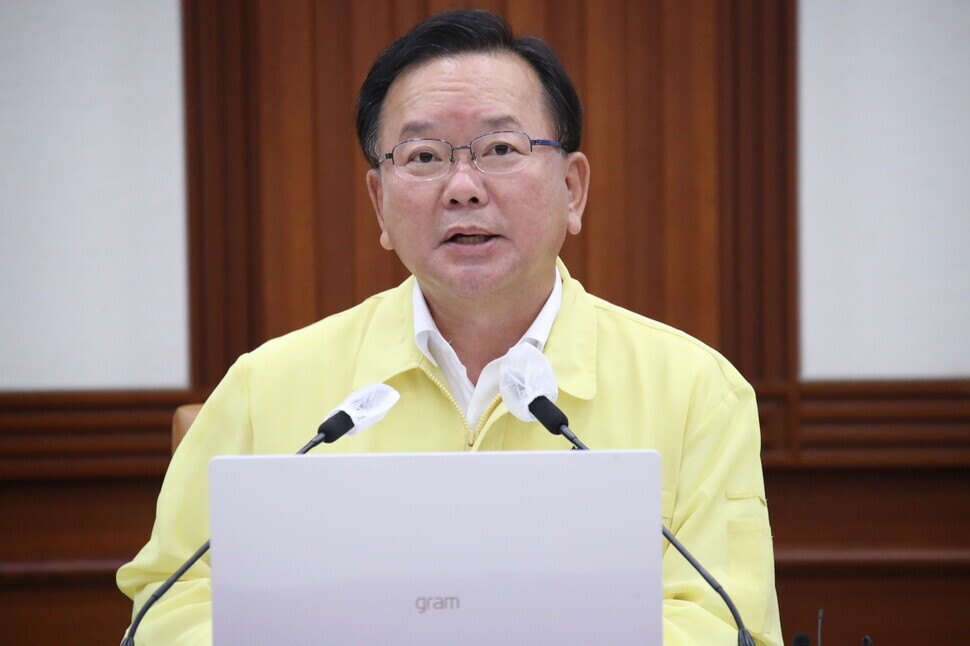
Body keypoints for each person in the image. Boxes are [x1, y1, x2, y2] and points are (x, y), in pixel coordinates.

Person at [118, 9, 783, 645]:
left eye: (500, 148)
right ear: (379, 200)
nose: (463, 187)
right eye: (425, 157)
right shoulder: (268, 387)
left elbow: (727, 625)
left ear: (572, 190)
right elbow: (167, 603)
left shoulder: (697, 392)